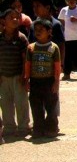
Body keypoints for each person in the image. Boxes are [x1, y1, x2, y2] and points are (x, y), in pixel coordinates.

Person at [25, 19, 61, 138]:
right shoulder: (31, 48)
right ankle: (38, 129)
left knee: (51, 106)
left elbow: (57, 67)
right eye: (36, 30)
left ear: (49, 31)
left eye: (41, 30)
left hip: (49, 81)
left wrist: (56, 82)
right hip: (35, 82)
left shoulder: (54, 48)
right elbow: (28, 65)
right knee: (36, 107)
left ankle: (51, 128)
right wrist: (27, 80)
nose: (38, 32)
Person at [0, 8, 31, 137]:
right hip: (3, 76)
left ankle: (24, 127)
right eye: (11, 17)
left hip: (18, 76)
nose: (15, 19)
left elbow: (26, 59)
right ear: (3, 21)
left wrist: (25, 76)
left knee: (21, 102)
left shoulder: (21, 38)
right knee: (5, 102)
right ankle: (9, 127)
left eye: (17, 17)